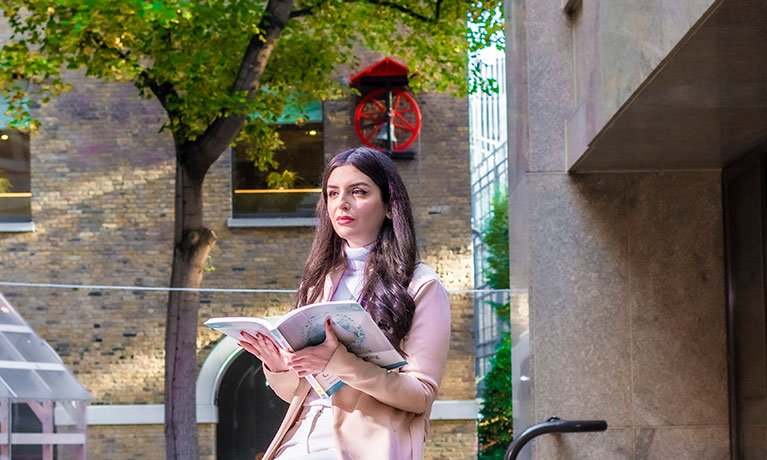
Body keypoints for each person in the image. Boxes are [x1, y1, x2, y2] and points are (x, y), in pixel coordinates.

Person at [239, 146, 451, 460]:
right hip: (298, 441)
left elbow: (420, 396)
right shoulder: (318, 280)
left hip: (365, 446)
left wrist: (340, 363)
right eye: (333, 193)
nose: (342, 203)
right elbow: (297, 394)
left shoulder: (421, 285)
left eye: (359, 192)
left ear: (390, 206)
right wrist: (280, 367)